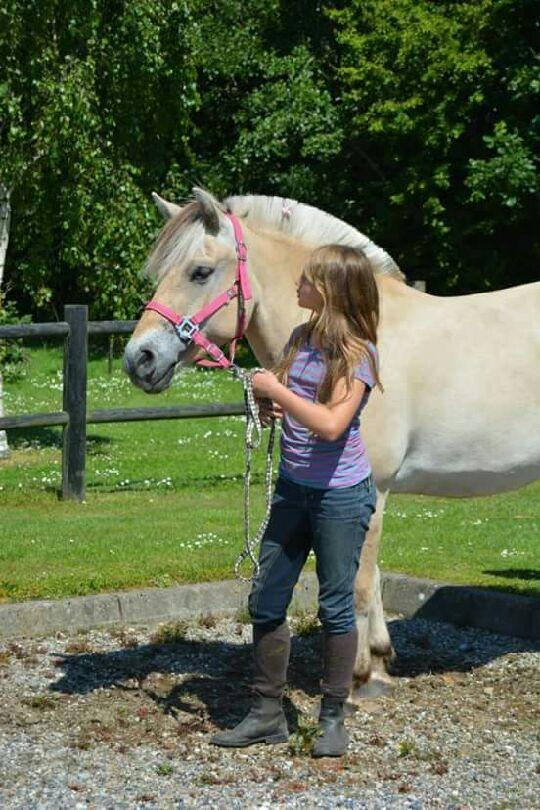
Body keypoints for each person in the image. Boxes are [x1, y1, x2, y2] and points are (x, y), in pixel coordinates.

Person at [211, 244, 381, 757]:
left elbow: (330, 424)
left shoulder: (359, 355)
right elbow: (288, 396)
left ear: (328, 291)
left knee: (334, 607)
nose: (297, 286)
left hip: (340, 498)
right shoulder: (301, 338)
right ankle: (266, 713)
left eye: (307, 281)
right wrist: (266, 403)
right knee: (266, 597)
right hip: (293, 489)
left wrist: (278, 394)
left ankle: (332, 718)